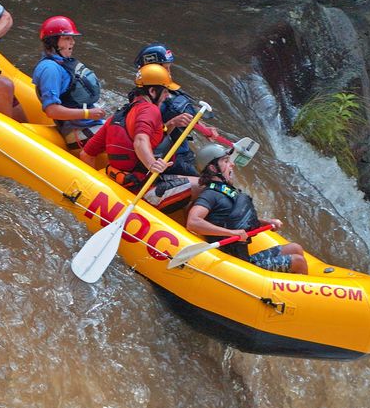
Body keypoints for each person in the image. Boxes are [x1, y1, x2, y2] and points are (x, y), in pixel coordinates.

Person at [80, 63, 201, 213]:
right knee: (203, 185)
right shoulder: (150, 110)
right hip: (143, 189)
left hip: (122, 180)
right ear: (152, 91)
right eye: (165, 91)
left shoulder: (118, 115)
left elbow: (86, 154)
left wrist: (171, 124)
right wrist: (152, 164)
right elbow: (140, 140)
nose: (167, 96)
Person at [186, 143, 308, 274]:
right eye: (226, 161)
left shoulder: (226, 192)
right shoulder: (210, 194)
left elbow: (238, 219)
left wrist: (267, 223)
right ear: (213, 168)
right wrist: (232, 233)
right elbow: (193, 222)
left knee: (295, 248)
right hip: (231, 264)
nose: (232, 164)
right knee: (298, 262)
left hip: (244, 259)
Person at [133, 44, 219, 176]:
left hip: (181, 151)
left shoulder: (165, 91)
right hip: (168, 157)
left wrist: (205, 130)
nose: (169, 73)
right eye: (165, 68)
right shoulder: (147, 103)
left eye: (169, 68)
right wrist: (172, 123)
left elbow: (184, 114)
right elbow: (145, 138)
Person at [32, 16, 106, 151]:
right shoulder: (50, 69)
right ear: (53, 42)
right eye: (67, 38)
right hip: (78, 132)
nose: (73, 42)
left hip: (89, 125)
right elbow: (52, 110)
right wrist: (88, 114)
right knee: (125, 135)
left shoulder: (62, 63)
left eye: (72, 38)